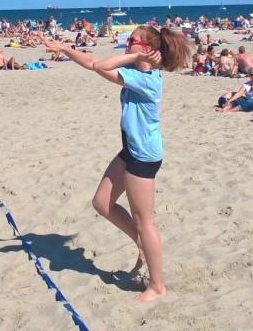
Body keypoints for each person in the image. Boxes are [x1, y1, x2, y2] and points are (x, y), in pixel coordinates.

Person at [38, 25, 191, 302]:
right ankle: (141, 245)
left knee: (146, 223)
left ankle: (157, 286)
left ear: (145, 49)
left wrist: (134, 58)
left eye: (130, 40)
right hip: (130, 148)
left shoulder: (147, 79)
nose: (125, 43)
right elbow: (92, 64)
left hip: (143, 155)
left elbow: (100, 65)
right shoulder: (136, 73)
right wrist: (62, 48)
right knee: (102, 203)